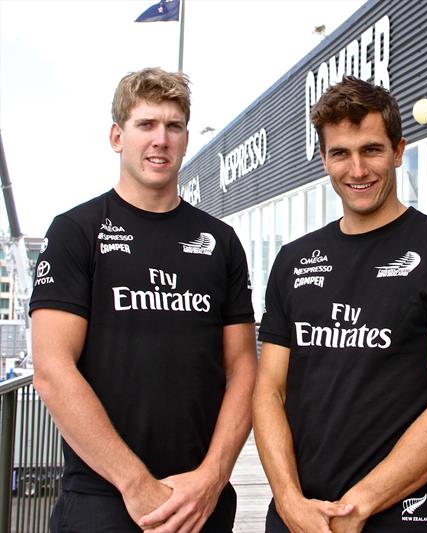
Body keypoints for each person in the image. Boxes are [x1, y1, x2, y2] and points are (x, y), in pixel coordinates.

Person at [253, 76, 427, 533]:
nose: (357, 169)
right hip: (296, 518)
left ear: (399, 151)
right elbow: (269, 391)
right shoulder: (294, 259)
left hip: (398, 517)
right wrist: (288, 499)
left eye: (372, 150)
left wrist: (358, 507)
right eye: (340, 153)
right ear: (323, 160)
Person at [30, 67, 257, 533]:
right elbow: (53, 370)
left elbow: (242, 367)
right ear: (117, 136)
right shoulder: (76, 231)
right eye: (146, 125)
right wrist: (135, 484)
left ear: (187, 138)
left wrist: (213, 476)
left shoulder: (220, 241)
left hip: (201, 500)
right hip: (103, 497)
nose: (161, 140)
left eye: (173, 126)